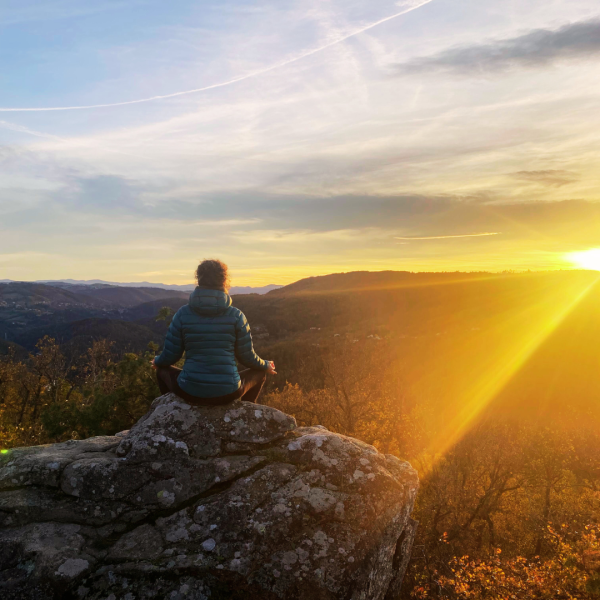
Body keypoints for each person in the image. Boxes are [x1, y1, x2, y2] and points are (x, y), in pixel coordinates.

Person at [151, 259, 276, 406]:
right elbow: (247, 357)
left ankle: (169, 408)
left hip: (189, 390)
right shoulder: (237, 316)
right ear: (224, 281)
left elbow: (170, 356)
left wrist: (157, 361)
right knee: (260, 372)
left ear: (198, 279)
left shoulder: (182, 314)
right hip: (228, 392)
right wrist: (266, 364)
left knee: (162, 370)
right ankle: (247, 410)